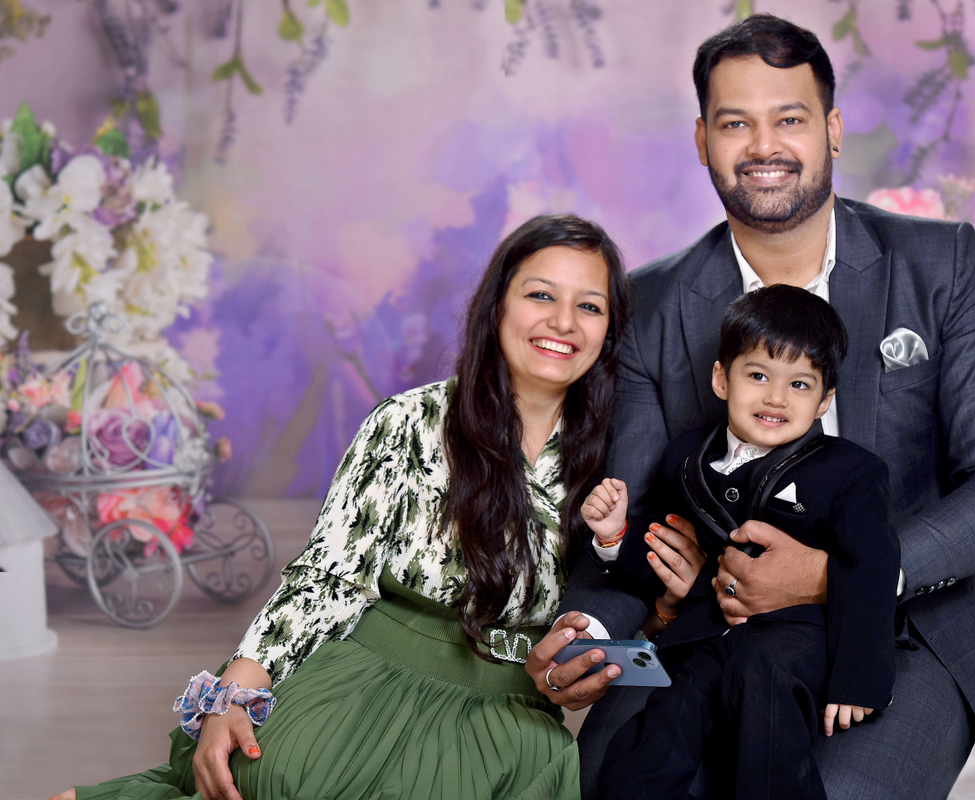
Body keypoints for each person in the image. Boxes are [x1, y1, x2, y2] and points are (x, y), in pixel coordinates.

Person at [533, 14, 975, 800]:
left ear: (832, 129)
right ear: (703, 140)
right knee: (611, 780)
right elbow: (627, 512)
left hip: (904, 624)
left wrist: (840, 577)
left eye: (790, 119)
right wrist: (588, 631)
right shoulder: (653, 302)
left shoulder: (938, 265)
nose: (764, 146)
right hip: (708, 622)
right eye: (735, 123)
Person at [51, 213, 633, 800]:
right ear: (498, 305)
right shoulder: (409, 422)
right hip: (365, 693)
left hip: (511, 726)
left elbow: (623, 596)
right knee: (261, 782)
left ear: (610, 330)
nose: (563, 321)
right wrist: (235, 691)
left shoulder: (620, 455)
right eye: (540, 295)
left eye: (589, 306)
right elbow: (328, 578)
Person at [583, 285, 899, 800]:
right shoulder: (687, 457)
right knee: (662, 724)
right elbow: (671, 547)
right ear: (721, 379)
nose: (776, 398)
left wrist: (858, 679)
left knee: (764, 686)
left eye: (800, 384)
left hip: (798, 638)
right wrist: (617, 536)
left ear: (825, 401)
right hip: (709, 632)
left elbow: (871, 568)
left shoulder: (852, 471)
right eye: (758, 376)